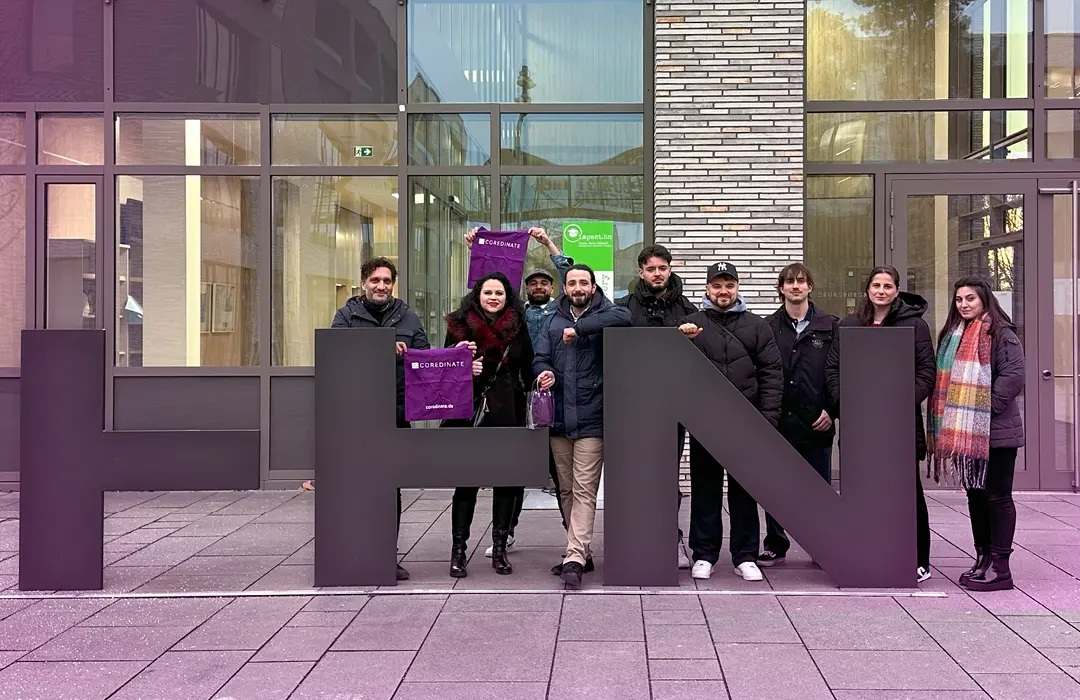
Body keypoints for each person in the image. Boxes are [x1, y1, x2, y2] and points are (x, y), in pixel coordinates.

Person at [465, 226, 573, 556]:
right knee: (514, 466)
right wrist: (476, 250)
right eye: (533, 283)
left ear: (554, 288)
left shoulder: (561, 309)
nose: (539, 286)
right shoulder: (517, 313)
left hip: (553, 395)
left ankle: (574, 537)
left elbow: (571, 273)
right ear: (525, 289)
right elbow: (487, 288)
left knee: (559, 471)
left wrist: (548, 243)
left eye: (545, 282)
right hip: (518, 398)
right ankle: (507, 531)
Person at [825, 265, 936, 583]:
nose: (881, 291)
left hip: (898, 426)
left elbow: (926, 372)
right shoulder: (849, 324)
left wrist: (895, 405)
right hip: (861, 425)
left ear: (897, 291)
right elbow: (833, 369)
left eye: (888, 286)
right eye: (876, 285)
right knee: (860, 494)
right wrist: (849, 404)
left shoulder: (915, 325)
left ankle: (918, 559)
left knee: (907, 495)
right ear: (868, 289)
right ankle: (864, 553)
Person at [677, 262, 783, 582]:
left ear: (737, 287)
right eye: (717, 285)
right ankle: (704, 554)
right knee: (705, 489)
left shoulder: (757, 326)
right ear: (707, 289)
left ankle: (745, 555)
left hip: (746, 421)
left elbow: (772, 374)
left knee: (743, 490)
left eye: (729, 285)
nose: (723, 291)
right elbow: (677, 373)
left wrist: (769, 418)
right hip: (706, 421)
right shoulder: (690, 324)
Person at [326, 257, 430, 581]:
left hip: (396, 415)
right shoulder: (346, 316)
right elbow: (335, 356)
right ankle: (355, 554)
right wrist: (382, 347)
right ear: (364, 282)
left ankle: (387, 554)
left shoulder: (409, 317)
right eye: (375, 280)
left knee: (390, 490)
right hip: (357, 417)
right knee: (356, 488)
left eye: (387, 281)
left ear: (393, 284)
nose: (381, 286)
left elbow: (424, 360)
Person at [534, 264, 632, 587]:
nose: (578, 288)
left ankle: (574, 557)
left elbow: (624, 319)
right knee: (565, 489)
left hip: (593, 418)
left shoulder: (609, 310)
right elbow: (540, 356)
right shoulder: (552, 319)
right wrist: (543, 372)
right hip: (559, 418)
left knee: (584, 489)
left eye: (583, 283)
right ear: (565, 288)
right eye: (572, 283)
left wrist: (582, 328)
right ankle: (583, 552)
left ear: (593, 286)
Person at [928, 277, 1024, 592]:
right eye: (959, 299)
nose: (964, 304)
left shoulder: (1001, 333)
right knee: (976, 497)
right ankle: (982, 559)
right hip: (968, 434)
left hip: (995, 432)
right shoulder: (954, 336)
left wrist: (984, 410)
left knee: (997, 497)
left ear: (984, 299)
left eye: (970, 298)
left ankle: (1001, 567)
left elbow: (1013, 376)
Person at [442, 272, 533, 578]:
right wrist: (464, 366)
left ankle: (500, 549)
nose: (493, 297)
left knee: (506, 481)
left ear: (507, 297)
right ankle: (458, 551)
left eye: (499, 293)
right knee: (465, 483)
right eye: (488, 292)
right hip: (469, 412)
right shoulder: (458, 325)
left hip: (508, 411)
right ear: (477, 295)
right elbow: (442, 369)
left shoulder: (519, 325)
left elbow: (528, 363)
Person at [618, 244, 698, 569]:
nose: (657, 274)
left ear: (670, 269)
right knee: (636, 475)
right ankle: (636, 539)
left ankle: (671, 537)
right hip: (635, 407)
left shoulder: (688, 309)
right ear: (641, 272)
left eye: (662, 268)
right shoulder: (624, 308)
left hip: (673, 408)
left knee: (667, 476)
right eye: (650, 269)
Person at [759, 263, 839, 567]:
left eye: (801, 281)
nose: (795, 286)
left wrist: (832, 410)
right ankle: (775, 543)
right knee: (774, 486)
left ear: (810, 287)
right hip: (779, 420)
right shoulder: (766, 327)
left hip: (817, 420)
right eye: (789, 282)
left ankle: (822, 544)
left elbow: (839, 373)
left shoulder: (831, 327)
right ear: (781, 289)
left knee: (819, 488)